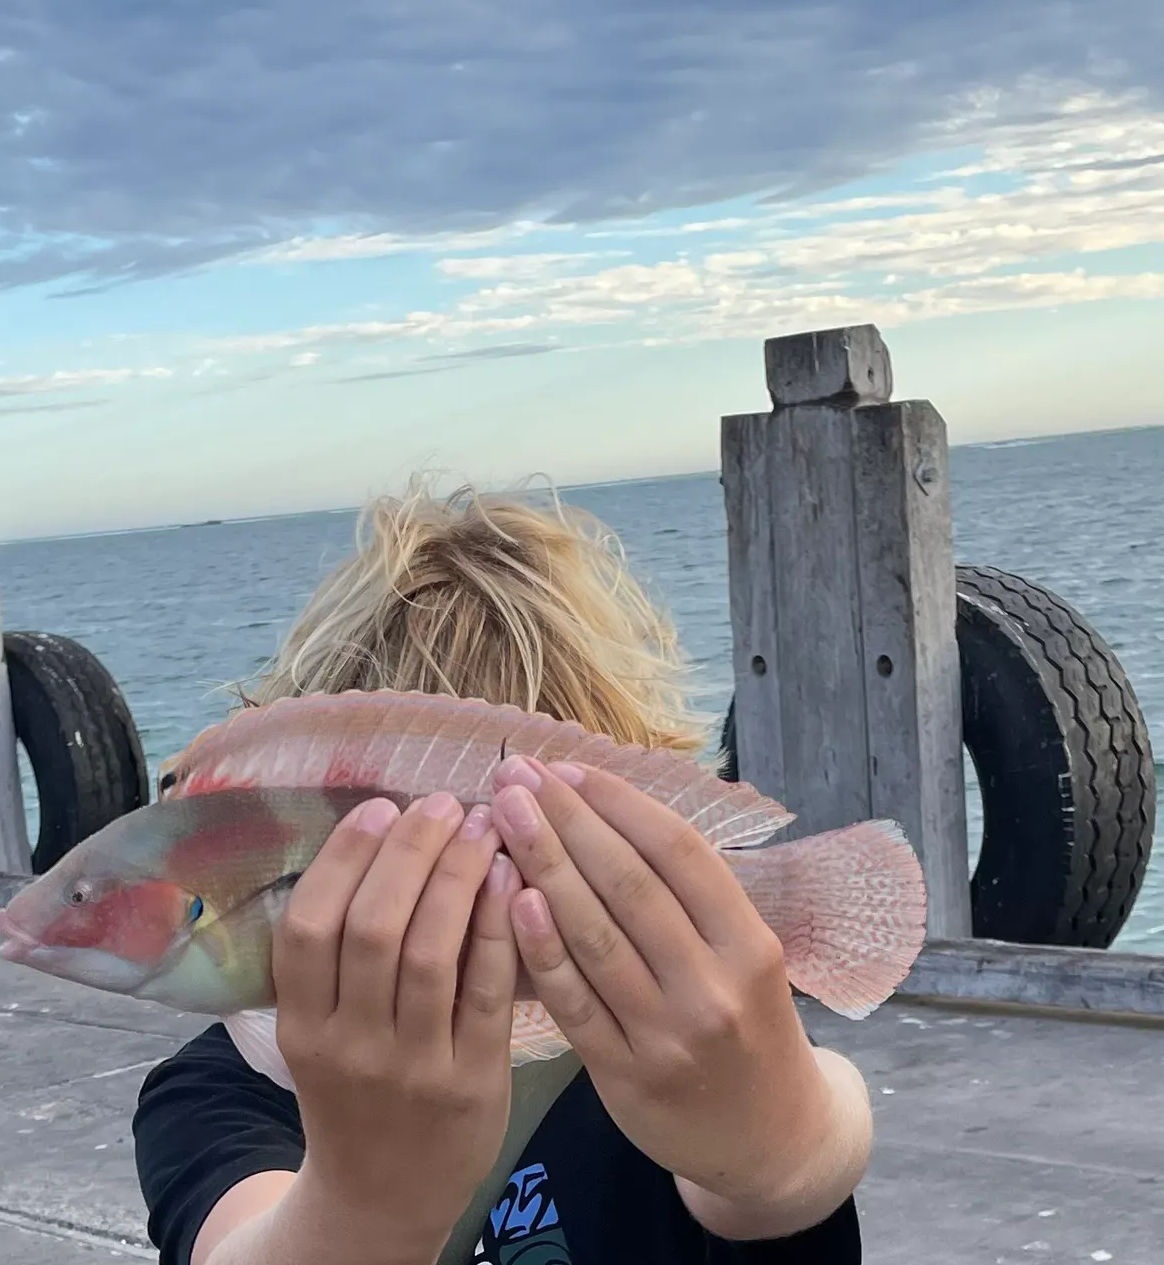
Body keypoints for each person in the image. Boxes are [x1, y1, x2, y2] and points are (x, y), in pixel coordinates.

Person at [132, 483, 872, 1265]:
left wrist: (782, 1145)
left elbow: (809, 1138)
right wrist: (362, 1205)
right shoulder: (224, 1093)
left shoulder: (672, 1043)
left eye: (529, 840)